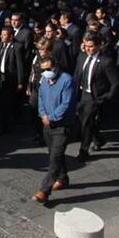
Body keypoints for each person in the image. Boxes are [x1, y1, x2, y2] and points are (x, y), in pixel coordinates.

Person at [33, 56, 75, 205]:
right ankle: (63, 178)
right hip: (47, 124)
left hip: (62, 125)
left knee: (54, 158)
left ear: (55, 66)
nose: (46, 72)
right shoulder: (44, 81)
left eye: (48, 69)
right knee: (55, 154)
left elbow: (66, 103)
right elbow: (41, 99)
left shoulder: (66, 80)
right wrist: (43, 114)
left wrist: (52, 117)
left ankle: (44, 190)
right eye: (43, 70)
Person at [73, 34, 119, 162]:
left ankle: (83, 150)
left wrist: (106, 97)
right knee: (84, 120)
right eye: (86, 46)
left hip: (95, 97)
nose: (88, 49)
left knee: (86, 123)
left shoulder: (106, 61)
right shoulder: (82, 57)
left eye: (91, 46)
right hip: (82, 94)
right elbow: (77, 75)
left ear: (99, 46)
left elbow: (115, 82)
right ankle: (99, 139)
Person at [0, 27, 25, 134]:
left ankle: (7, 126)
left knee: (7, 104)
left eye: (4, 35)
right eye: (1, 34)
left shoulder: (17, 47)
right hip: (1, 78)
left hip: (10, 79)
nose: (1, 36)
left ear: (11, 36)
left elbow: (20, 65)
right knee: (0, 103)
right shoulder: (1, 45)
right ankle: (2, 125)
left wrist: (20, 82)